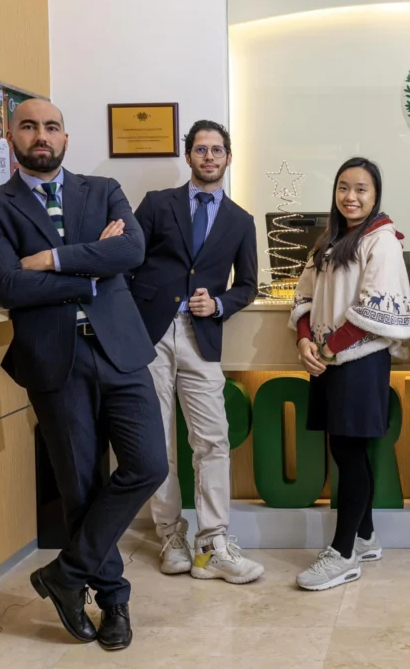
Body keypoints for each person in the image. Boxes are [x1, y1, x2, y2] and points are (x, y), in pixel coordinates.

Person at [0, 99, 167, 650]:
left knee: (149, 464)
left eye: (51, 126)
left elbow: (131, 249)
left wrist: (51, 260)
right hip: (55, 358)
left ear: (65, 137)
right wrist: (91, 270)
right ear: (11, 136)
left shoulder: (102, 190)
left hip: (120, 350)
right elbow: (9, 286)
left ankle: (66, 572)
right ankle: (113, 600)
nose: (42, 135)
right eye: (30, 126)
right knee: (81, 485)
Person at [130, 120, 263, 584]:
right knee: (157, 440)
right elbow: (128, 261)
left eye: (217, 149)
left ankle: (213, 544)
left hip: (200, 335)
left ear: (229, 158)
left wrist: (220, 304)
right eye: (201, 149)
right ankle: (170, 535)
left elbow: (248, 285)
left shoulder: (241, 221)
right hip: (150, 334)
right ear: (188, 156)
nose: (209, 157)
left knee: (213, 440)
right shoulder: (156, 204)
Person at [289, 158, 410, 591]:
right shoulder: (330, 238)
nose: (351, 196)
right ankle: (365, 536)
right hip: (327, 359)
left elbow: (375, 307)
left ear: (375, 194)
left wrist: (328, 347)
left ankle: (343, 554)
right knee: (347, 452)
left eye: (361, 189)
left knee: (349, 454)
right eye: (344, 187)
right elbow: (304, 295)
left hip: (359, 362)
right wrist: (304, 341)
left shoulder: (382, 240)